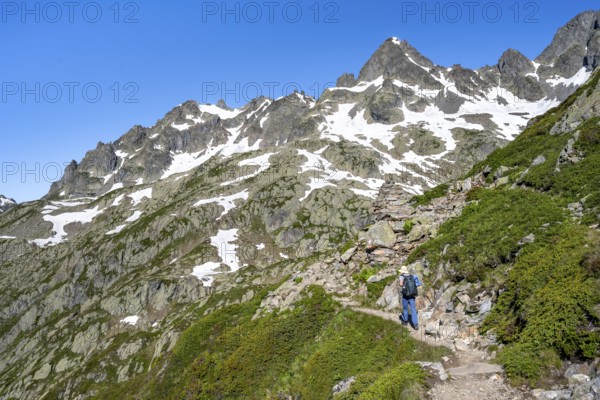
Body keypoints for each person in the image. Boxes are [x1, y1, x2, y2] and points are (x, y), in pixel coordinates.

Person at [398, 265, 422, 330]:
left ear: (402, 271)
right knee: (413, 309)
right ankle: (415, 324)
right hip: (412, 295)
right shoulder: (412, 276)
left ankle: (405, 321)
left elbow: (400, 284)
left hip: (405, 295)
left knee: (405, 308)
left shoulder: (401, 276)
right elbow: (417, 284)